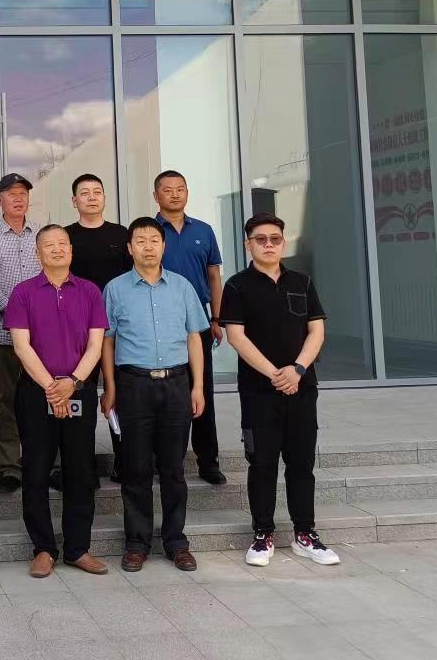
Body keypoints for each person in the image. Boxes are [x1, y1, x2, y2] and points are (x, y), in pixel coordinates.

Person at [220, 213, 340, 568]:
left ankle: (305, 534)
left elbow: (316, 331)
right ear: (248, 245)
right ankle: (263, 535)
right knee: (262, 464)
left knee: (302, 463)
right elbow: (236, 336)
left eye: (275, 238)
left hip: (302, 387)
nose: (268, 244)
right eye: (261, 239)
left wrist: (298, 369)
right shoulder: (237, 286)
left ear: (283, 242)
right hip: (259, 391)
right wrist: (275, 374)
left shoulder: (302, 282)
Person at [101, 218, 208, 573]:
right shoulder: (115, 289)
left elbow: (194, 338)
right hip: (133, 384)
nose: (148, 246)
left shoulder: (182, 287)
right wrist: (110, 387)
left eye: (154, 240)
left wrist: (197, 386)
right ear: (129, 248)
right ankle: (137, 543)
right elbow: (107, 341)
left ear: (164, 246)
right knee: (136, 467)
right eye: (140, 241)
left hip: (176, 383)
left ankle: (176, 541)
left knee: (174, 467)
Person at [5, 224, 108, 578]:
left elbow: (96, 345)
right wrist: (52, 387)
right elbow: (21, 346)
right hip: (37, 392)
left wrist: (73, 382)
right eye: (49, 245)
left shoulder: (90, 291)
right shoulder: (23, 292)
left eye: (63, 243)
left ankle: (78, 548)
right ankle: (43, 548)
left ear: (71, 250)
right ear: (38, 254)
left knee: (80, 470)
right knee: (35, 470)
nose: (57, 249)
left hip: (79, 388)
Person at [153, 170, 227, 485]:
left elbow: (214, 277)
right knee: (166, 394)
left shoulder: (204, 231)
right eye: (168, 190)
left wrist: (217, 318)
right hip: (161, 322)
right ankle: (165, 462)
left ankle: (208, 461)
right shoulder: (149, 232)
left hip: (198, 322)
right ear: (156, 195)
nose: (175, 194)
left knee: (201, 388)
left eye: (180, 189)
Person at [62, 172, 131, 486]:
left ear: (104, 197)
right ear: (74, 200)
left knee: (122, 395)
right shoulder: (66, 237)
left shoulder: (121, 234)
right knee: (82, 396)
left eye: (97, 192)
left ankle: (124, 462)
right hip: (78, 330)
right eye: (85, 193)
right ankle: (82, 467)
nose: (91, 197)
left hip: (118, 329)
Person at [0, 173, 41, 495]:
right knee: (7, 402)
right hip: (4, 335)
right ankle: (10, 467)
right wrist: (16, 314)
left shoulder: (42, 233)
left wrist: (35, 316)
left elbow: (53, 274)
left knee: (43, 399)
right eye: (11, 193)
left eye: (23, 193)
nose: (18, 198)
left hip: (41, 336)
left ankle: (42, 461)